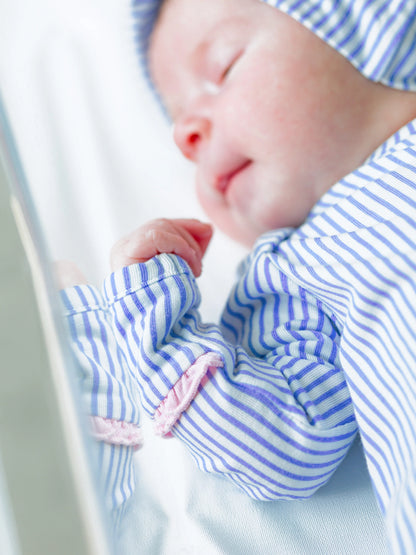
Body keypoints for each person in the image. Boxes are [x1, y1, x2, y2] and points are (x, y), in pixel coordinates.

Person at [59, 0, 416, 551]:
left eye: (223, 69)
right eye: (177, 119)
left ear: (368, 25)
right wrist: (159, 327)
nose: (184, 134)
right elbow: (283, 449)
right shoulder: (298, 268)